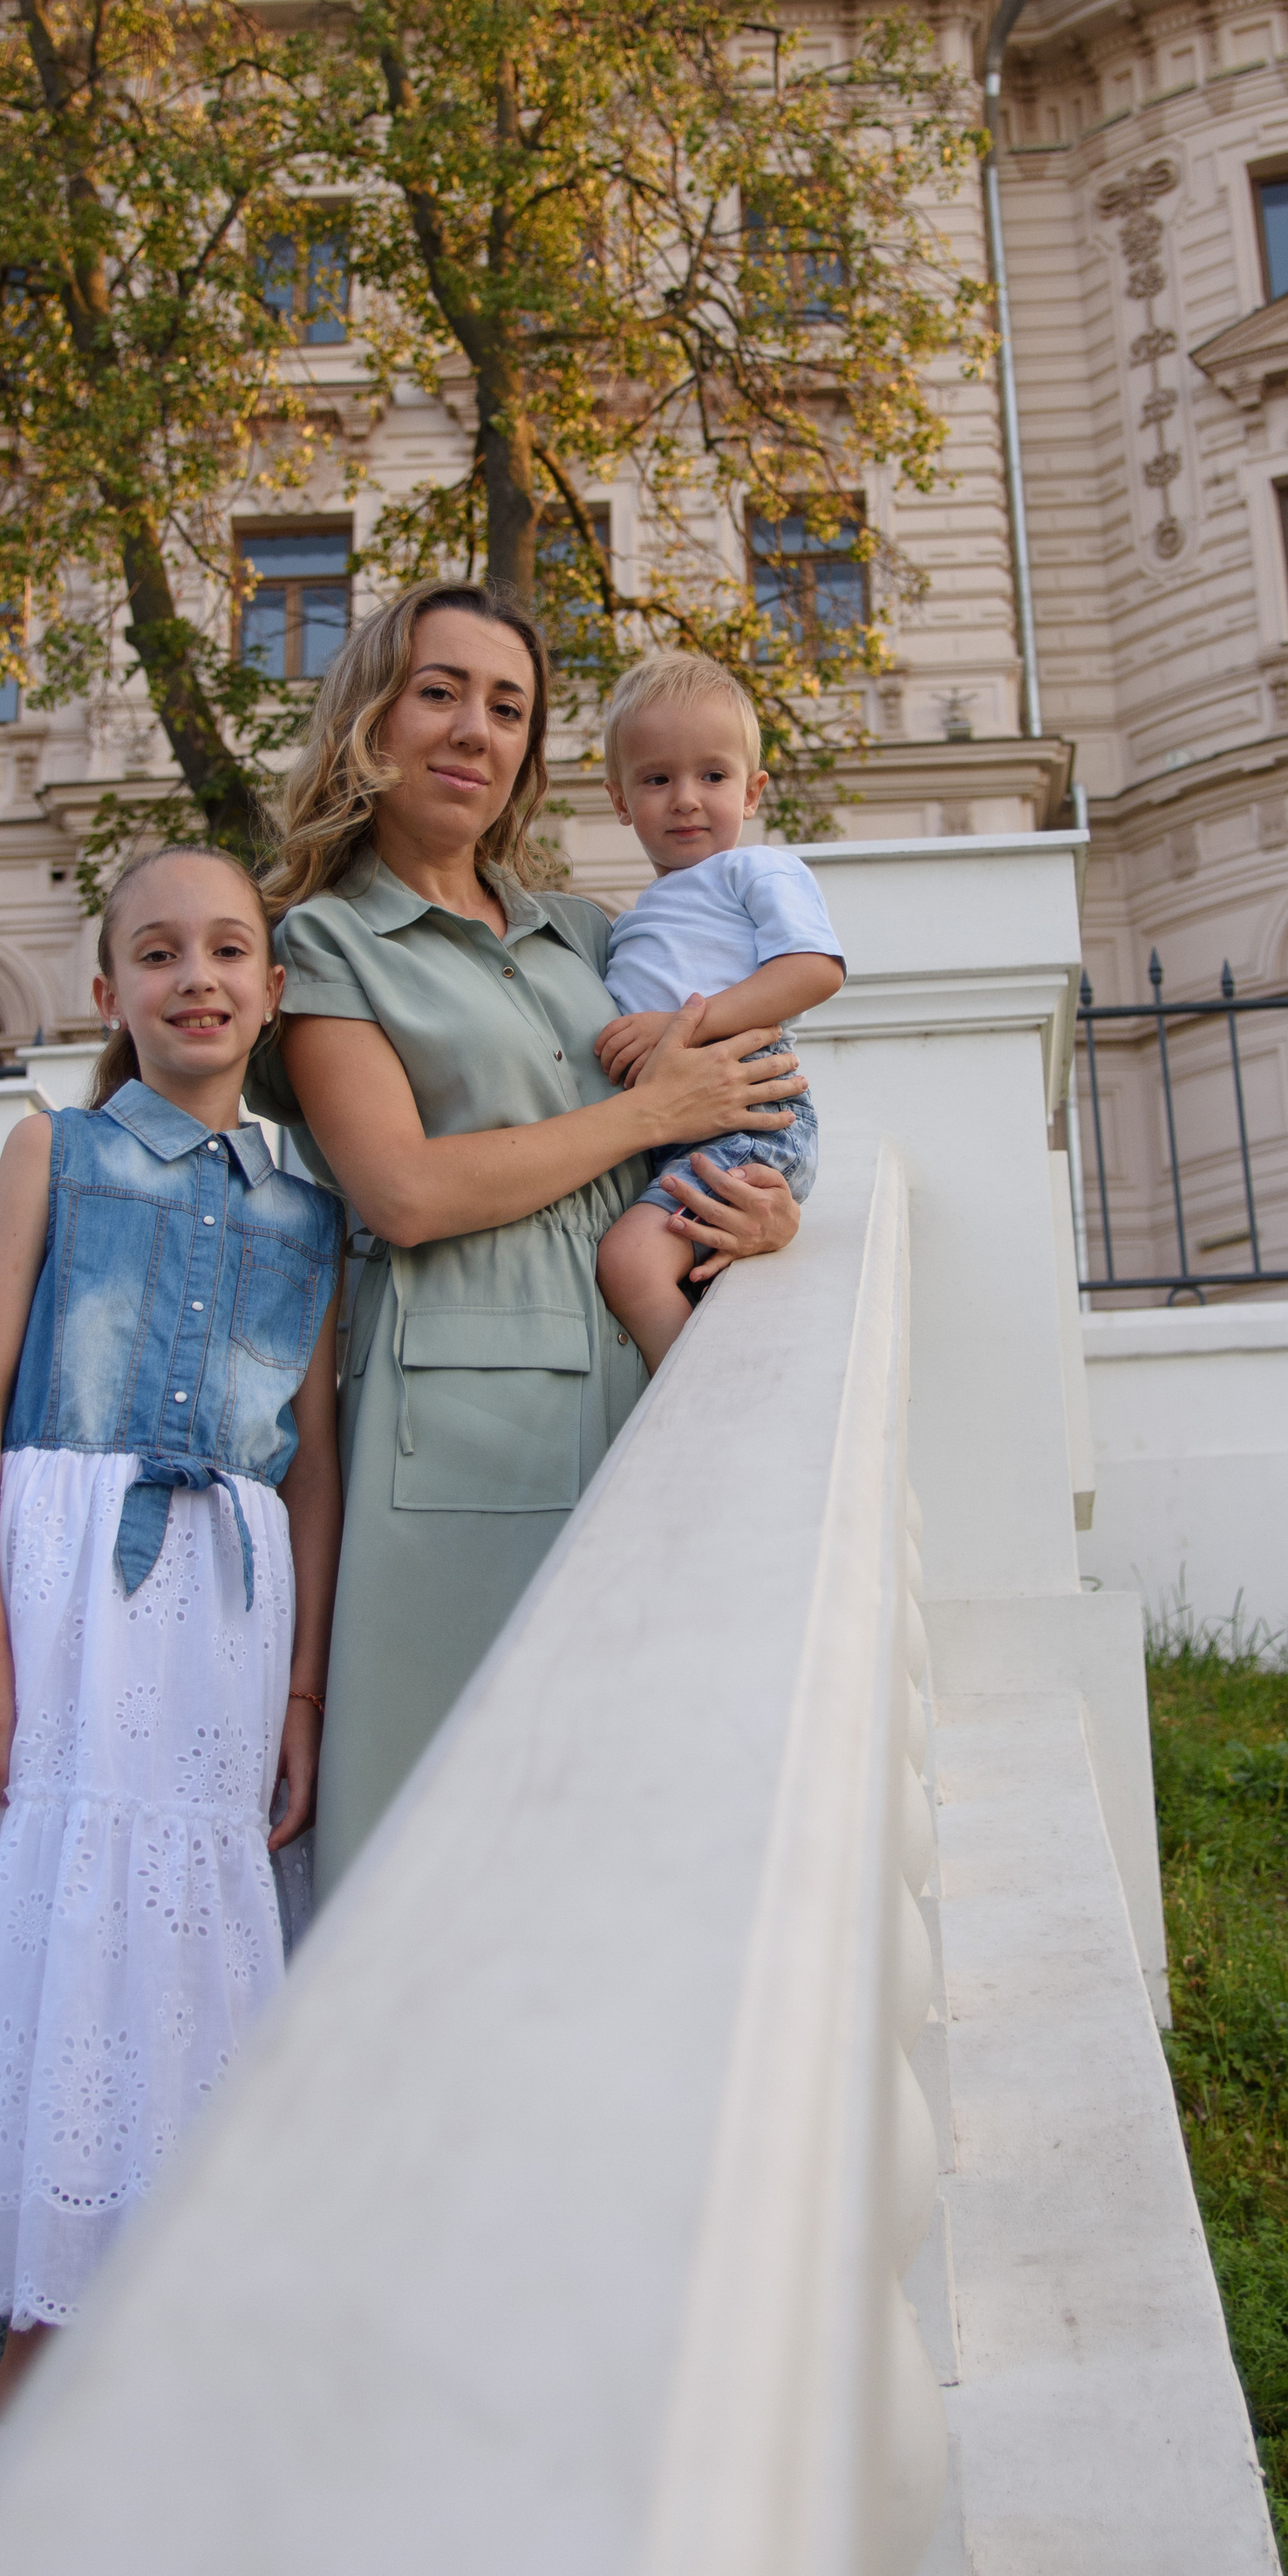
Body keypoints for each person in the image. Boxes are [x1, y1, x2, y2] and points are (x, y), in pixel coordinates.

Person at [0, 843, 344, 2566]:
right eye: (158, 954)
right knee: (62, 1936)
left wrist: (301, 1689)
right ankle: (1, 2420)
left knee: (178, 1958)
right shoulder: (50, 1149)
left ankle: (126, 2397)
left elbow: (317, 1459)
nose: (197, 979)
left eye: (229, 952)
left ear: (270, 986)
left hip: (226, 1599)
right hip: (64, 1578)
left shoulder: (311, 1199)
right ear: (107, 987)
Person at [248, 577, 806, 1890]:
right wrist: (649, 1111)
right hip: (452, 1437)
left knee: (631, 1839)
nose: (474, 731)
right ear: (372, 718)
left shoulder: (591, 937)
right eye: (440, 692)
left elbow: (733, 1095)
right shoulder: (325, 947)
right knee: (447, 1846)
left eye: (508, 708)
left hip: (640, 1401)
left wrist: (761, 1204)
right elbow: (404, 1193)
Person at [591, 653, 845, 1370]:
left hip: (752, 1108)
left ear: (753, 790)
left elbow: (814, 970)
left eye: (712, 775)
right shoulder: (635, 919)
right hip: (677, 1124)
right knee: (675, 1270)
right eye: (657, 779)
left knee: (632, 1263)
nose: (685, 799)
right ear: (620, 801)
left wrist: (683, 1026)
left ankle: (698, 1407)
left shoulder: (755, 869)